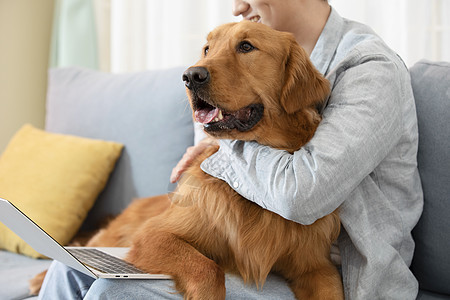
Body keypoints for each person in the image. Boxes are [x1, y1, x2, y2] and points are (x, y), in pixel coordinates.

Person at [39, 0, 423, 299]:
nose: (238, 6)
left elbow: (302, 194)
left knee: (118, 290)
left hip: (344, 280)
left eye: (244, 47)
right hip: (246, 260)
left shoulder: (371, 69)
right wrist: (219, 141)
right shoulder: (241, 84)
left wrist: (224, 152)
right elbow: (212, 153)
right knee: (68, 268)